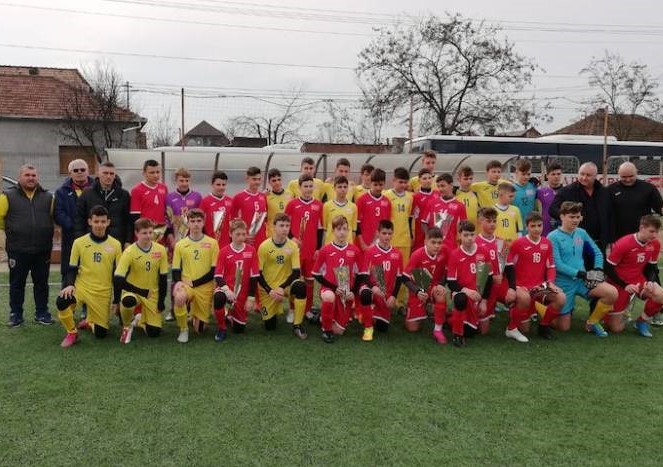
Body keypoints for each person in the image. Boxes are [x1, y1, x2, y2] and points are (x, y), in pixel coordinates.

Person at [547, 201, 618, 337]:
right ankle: (543, 306)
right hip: (563, 283)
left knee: (611, 293)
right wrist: (580, 273)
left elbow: (597, 253)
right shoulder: (553, 237)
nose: (575, 220)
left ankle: (592, 322)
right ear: (562, 217)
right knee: (563, 327)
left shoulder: (581, 233)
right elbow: (557, 264)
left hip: (582, 280)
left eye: (577, 217)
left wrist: (598, 269)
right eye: (571, 217)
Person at [56, 206, 122, 347]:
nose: (99, 225)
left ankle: (90, 322)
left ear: (108, 222)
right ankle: (72, 332)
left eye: (103, 221)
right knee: (62, 301)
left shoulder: (116, 245)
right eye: (96, 221)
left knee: (101, 334)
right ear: (90, 222)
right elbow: (72, 268)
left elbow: (117, 275)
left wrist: (117, 300)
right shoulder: (79, 242)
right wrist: (69, 285)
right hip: (81, 288)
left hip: (102, 292)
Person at [0, 164, 55, 327]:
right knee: (17, 284)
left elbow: (53, 218)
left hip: (42, 249)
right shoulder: (7, 196)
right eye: (27, 175)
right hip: (18, 250)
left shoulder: (48, 197)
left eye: (33, 175)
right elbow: (1, 220)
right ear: (19, 177)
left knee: (42, 283)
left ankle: (42, 313)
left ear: (37, 177)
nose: (31, 178)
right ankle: (16, 315)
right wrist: (13, 231)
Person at [504, 212, 566, 342]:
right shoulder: (518, 243)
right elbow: (509, 266)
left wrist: (550, 282)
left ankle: (544, 326)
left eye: (539, 225)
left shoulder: (547, 243)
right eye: (533, 226)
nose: (537, 229)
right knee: (525, 328)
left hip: (539, 286)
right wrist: (513, 287)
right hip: (521, 286)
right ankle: (511, 328)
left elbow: (551, 266)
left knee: (561, 298)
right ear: (527, 227)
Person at [605, 215, 663, 337]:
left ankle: (641, 321)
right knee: (616, 328)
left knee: (660, 295)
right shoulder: (624, 243)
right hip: (619, 283)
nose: (654, 235)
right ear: (642, 228)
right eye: (651, 231)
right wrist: (625, 285)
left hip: (638, 280)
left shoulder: (655, 244)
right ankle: (619, 311)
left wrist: (651, 281)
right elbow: (608, 268)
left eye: (657, 232)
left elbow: (652, 267)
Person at [113, 218, 169, 344]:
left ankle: (139, 320)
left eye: (150, 232)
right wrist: (116, 301)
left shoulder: (160, 250)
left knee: (154, 333)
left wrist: (161, 301)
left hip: (152, 294)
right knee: (128, 301)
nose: (148, 236)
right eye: (144, 233)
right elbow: (118, 279)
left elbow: (163, 278)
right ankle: (127, 326)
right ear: (136, 233)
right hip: (132, 292)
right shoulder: (129, 252)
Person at [171, 209, 219, 343]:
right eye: (192, 221)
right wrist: (179, 282)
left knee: (200, 330)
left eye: (199, 221)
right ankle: (183, 329)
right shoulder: (180, 244)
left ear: (203, 223)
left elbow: (214, 271)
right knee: (179, 296)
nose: (196, 224)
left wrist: (195, 283)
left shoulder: (213, 243)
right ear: (188, 223)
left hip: (205, 287)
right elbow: (175, 269)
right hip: (187, 286)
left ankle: (193, 313)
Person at [313, 215, 363, 343]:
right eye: (339, 229)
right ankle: (326, 330)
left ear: (348, 231)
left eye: (345, 229)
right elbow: (316, 274)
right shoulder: (325, 250)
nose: (342, 232)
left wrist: (353, 292)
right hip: (329, 288)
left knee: (339, 331)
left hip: (345, 290)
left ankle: (322, 317)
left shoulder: (354, 250)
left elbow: (360, 274)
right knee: (329, 297)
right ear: (333, 230)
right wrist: (334, 288)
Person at [257, 213, 307, 337]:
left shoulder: (293, 246)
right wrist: (270, 290)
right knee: (270, 327)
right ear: (273, 227)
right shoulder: (264, 246)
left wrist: (282, 287)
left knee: (300, 286)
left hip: (286, 286)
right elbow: (258, 273)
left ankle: (297, 325)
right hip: (268, 289)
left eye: (287, 226)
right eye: (281, 225)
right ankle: (273, 311)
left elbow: (296, 272)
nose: (285, 229)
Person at [446, 221, 493, 347]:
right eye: (466, 235)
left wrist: (484, 301)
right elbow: (451, 282)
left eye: (472, 235)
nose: (469, 238)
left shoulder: (483, 252)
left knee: (471, 332)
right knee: (460, 299)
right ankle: (457, 335)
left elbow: (489, 278)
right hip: (462, 292)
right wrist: (467, 291)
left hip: (477, 296)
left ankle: (450, 320)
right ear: (459, 235)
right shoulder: (455, 254)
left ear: (475, 235)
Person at [549, 162, 613, 254]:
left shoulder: (604, 192)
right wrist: (569, 217)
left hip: (599, 242)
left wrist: (609, 238)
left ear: (595, 176)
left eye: (588, 175)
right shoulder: (567, 191)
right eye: (582, 174)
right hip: (575, 242)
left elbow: (609, 214)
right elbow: (552, 209)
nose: (584, 177)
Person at [285, 175, 324, 323]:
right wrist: (292, 237)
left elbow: (320, 228)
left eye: (310, 186)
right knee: (294, 281)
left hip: (311, 250)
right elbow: (285, 224)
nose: (308, 189)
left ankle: (307, 310)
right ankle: (292, 309)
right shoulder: (292, 204)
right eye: (305, 186)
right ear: (299, 187)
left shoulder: (318, 205)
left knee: (309, 281)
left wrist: (318, 248)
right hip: (295, 250)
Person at [213, 219, 259, 341]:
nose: (241, 237)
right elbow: (218, 275)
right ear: (230, 234)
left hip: (242, 294)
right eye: (237, 234)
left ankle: (229, 314)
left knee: (239, 330)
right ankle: (222, 328)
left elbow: (254, 276)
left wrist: (251, 298)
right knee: (218, 297)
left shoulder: (251, 250)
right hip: (226, 290)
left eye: (243, 234)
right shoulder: (223, 251)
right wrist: (227, 290)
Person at [357, 220, 402, 341]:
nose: (387, 236)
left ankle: (368, 312)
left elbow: (399, 278)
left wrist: (393, 296)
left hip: (385, 291)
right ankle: (368, 328)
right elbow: (363, 276)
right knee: (366, 294)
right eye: (384, 233)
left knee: (382, 328)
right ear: (378, 233)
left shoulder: (397, 254)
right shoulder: (370, 251)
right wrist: (373, 287)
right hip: (371, 286)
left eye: (389, 233)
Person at [402, 227, 449, 342]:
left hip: (434, 287)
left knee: (441, 293)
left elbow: (448, 273)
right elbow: (405, 277)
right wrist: (417, 291)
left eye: (439, 243)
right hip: (420, 288)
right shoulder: (417, 255)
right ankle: (424, 310)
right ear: (426, 242)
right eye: (433, 242)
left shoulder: (445, 252)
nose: (437, 246)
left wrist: (441, 284)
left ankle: (438, 330)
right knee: (413, 328)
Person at [475, 207, 515, 335]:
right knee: (482, 332)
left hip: (500, 285)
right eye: (488, 221)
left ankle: (513, 327)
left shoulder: (502, 242)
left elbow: (509, 267)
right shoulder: (474, 242)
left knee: (518, 297)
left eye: (494, 221)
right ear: (480, 221)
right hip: (482, 286)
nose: (492, 224)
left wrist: (512, 288)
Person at [54, 159, 93, 286]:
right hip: (70, 239)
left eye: (82, 169)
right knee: (69, 276)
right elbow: (58, 214)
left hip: (94, 239)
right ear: (70, 173)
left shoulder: (97, 189)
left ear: (88, 171)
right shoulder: (61, 192)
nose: (79, 172)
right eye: (75, 170)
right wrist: (76, 227)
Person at [75, 161, 132, 248]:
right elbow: (79, 219)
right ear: (98, 174)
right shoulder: (87, 193)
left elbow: (128, 220)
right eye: (105, 173)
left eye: (111, 174)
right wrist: (81, 239)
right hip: (92, 241)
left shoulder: (123, 194)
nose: (108, 176)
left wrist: (128, 240)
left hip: (116, 242)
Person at [607, 162, 663, 240]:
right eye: (624, 177)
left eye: (631, 176)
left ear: (636, 172)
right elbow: (605, 213)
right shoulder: (610, 190)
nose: (628, 179)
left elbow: (659, 207)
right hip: (618, 236)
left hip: (642, 235)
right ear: (618, 174)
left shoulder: (649, 188)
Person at [384, 167, 413, 306]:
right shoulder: (386, 195)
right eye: (400, 182)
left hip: (405, 240)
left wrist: (411, 235)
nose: (403, 185)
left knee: (402, 273)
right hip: (390, 240)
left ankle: (400, 303)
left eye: (405, 182)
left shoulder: (410, 197)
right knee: (387, 272)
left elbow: (409, 218)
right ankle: (384, 299)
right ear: (394, 180)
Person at [421, 173, 467, 253]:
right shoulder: (432, 203)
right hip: (434, 248)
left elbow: (464, 228)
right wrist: (429, 237)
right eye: (438, 186)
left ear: (451, 185)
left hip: (451, 248)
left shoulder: (460, 206)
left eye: (443, 186)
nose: (440, 189)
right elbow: (424, 222)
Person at [231, 166, 268, 247]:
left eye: (259, 179)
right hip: (246, 241)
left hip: (262, 241)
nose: (257, 182)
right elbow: (232, 221)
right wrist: (243, 236)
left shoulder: (263, 196)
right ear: (247, 179)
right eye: (254, 179)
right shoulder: (238, 197)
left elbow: (265, 219)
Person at [356, 168, 392, 251]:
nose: (378, 188)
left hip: (381, 243)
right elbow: (356, 224)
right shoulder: (362, 200)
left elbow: (387, 225)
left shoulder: (387, 202)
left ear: (384, 184)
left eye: (381, 185)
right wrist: (362, 243)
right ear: (370, 183)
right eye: (375, 185)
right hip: (365, 243)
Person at [166, 167, 202, 244]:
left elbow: (201, 219)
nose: (184, 184)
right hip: (175, 239)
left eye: (187, 181)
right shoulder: (169, 197)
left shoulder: (197, 196)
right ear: (176, 180)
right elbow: (168, 220)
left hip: (193, 238)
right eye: (181, 181)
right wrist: (171, 240)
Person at [199, 171, 234, 248]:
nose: (221, 187)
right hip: (209, 244)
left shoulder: (231, 201)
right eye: (218, 184)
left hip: (226, 244)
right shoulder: (205, 201)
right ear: (212, 185)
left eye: (223, 185)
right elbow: (200, 223)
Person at [130, 159, 168, 227]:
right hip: (146, 231)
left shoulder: (164, 188)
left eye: (158, 172)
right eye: (152, 173)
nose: (156, 175)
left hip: (162, 230)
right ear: (144, 174)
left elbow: (166, 212)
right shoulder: (136, 190)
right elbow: (135, 217)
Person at [322, 175, 358, 245]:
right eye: (340, 187)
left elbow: (353, 231)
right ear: (334, 188)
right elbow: (325, 229)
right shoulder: (327, 206)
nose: (343, 189)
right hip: (330, 244)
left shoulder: (353, 207)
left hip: (347, 244)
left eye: (345, 187)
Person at [536, 162, 563, 236]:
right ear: (547, 176)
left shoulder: (566, 191)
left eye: (558, 174)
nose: (556, 176)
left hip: (562, 230)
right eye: (553, 174)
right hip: (545, 231)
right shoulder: (540, 192)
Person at [411, 168, 435, 252]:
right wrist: (411, 234)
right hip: (420, 233)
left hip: (434, 231)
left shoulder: (437, 194)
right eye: (424, 178)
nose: (427, 181)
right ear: (419, 180)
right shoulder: (415, 197)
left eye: (429, 178)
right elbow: (411, 216)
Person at [511, 159, 537, 233]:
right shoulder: (511, 189)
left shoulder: (533, 186)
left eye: (528, 174)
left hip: (531, 228)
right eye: (523, 174)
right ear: (516, 173)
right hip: (516, 228)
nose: (526, 177)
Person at [266, 168, 291, 238]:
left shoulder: (290, 194)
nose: (277, 183)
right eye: (274, 180)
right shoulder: (266, 197)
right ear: (269, 182)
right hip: (272, 236)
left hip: (287, 235)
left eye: (279, 179)